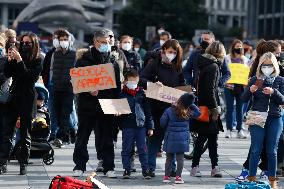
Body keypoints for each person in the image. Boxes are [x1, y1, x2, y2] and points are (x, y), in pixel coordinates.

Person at [72, 29, 121, 178]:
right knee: (82, 137)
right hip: (87, 106)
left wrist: (117, 106)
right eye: (103, 42)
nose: (107, 45)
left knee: (107, 138)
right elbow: (77, 84)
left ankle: (109, 166)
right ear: (95, 42)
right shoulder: (83, 60)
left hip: (106, 105)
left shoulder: (113, 62)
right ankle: (79, 166)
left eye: (108, 42)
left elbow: (117, 87)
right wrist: (88, 90)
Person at [236, 40, 282, 181]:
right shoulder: (255, 79)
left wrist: (274, 92)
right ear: (260, 65)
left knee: (272, 151)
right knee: (255, 149)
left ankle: (271, 178)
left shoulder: (280, 80)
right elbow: (243, 99)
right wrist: (249, 90)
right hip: (257, 116)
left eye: (269, 65)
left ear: (274, 65)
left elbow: (283, 100)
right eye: (264, 65)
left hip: (274, 117)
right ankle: (251, 177)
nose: (266, 68)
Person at [140, 39, 185, 177]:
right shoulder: (154, 64)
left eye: (174, 52)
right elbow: (141, 79)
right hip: (156, 108)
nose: (171, 54)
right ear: (163, 50)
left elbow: (182, 84)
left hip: (172, 109)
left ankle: (171, 168)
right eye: (169, 51)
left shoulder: (178, 67)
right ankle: (150, 168)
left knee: (171, 140)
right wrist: (153, 83)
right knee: (154, 140)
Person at [0, 32, 42, 175]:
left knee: (25, 133)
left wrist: (19, 61)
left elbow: (29, 77)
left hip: (27, 98)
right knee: (7, 131)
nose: (25, 45)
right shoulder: (18, 55)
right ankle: (3, 162)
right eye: (23, 42)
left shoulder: (38, 59)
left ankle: (23, 163)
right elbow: (7, 73)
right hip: (13, 97)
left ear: (34, 44)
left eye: (28, 43)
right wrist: (9, 60)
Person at [190, 41, 225, 178]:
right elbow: (211, 90)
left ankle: (208, 167)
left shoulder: (204, 64)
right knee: (207, 139)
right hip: (210, 108)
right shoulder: (214, 66)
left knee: (208, 138)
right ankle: (209, 167)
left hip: (203, 105)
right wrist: (215, 110)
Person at [118, 69, 154, 179]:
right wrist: (118, 114)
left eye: (135, 81)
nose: (133, 83)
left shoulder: (142, 94)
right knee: (127, 149)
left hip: (140, 126)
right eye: (131, 81)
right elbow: (118, 109)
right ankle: (126, 169)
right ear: (125, 81)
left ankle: (145, 170)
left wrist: (150, 127)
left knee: (142, 149)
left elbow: (148, 112)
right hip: (127, 126)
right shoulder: (121, 94)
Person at [161, 93, 201, 184]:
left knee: (169, 158)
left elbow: (162, 123)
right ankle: (178, 177)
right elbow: (198, 113)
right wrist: (191, 104)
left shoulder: (169, 110)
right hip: (182, 139)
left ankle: (166, 177)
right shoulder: (188, 111)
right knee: (180, 158)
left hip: (170, 137)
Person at [48, 29, 76, 148]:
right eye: (61, 40)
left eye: (65, 39)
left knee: (66, 113)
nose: (63, 41)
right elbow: (52, 69)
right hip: (56, 87)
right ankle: (70, 133)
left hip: (69, 88)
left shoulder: (74, 54)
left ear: (70, 40)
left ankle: (63, 138)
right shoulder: (56, 53)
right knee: (58, 113)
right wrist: (52, 82)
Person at [224, 39, 249, 139]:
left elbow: (247, 72)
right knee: (229, 108)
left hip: (241, 86)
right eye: (237, 46)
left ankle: (239, 130)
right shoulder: (227, 58)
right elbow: (224, 72)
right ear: (233, 47)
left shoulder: (245, 59)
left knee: (240, 109)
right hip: (229, 86)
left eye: (240, 46)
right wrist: (225, 82)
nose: (239, 48)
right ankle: (229, 129)